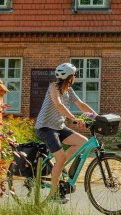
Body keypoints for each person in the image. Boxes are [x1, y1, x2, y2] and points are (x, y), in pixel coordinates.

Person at [35, 63, 96, 203]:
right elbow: (58, 104)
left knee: (83, 143)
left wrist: (96, 116)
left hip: (59, 127)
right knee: (61, 158)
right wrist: (74, 119)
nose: (75, 77)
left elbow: (81, 104)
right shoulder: (53, 87)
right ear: (69, 77)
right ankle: (53, 194)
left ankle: (59, 165)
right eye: (74, 75)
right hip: (45, 127)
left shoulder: (69, 90)